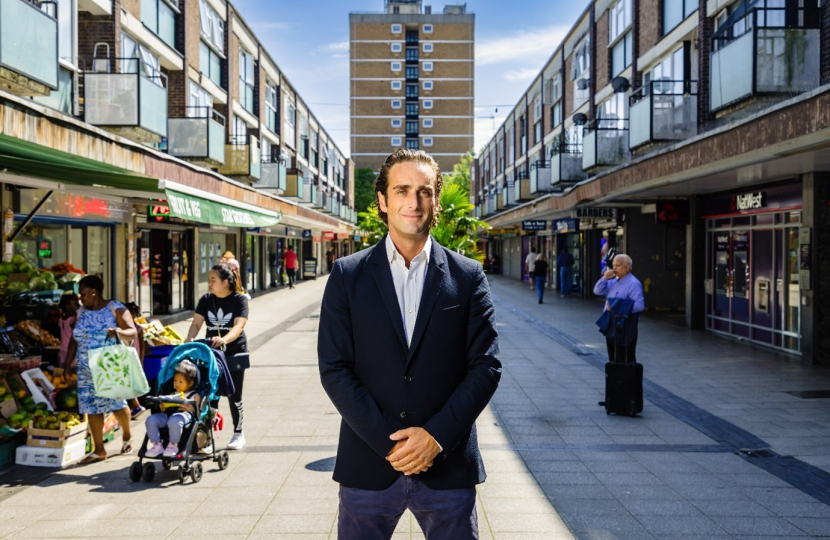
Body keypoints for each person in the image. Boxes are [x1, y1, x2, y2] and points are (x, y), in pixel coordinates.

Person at [318, 148, 501, 540]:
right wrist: (393, 446)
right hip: (368, 466)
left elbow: (486, 366)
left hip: (447, 467)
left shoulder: (467, 276)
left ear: (435, 201)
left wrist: (434, 438)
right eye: (402, 190)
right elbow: (334, 367)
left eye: (424, 191)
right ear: (383, 201)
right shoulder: (347, 276)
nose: (413, 202)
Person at [66, 275, 136, 464]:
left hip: (108, 367)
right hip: (85, 369)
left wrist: (119, 332)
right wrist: (67, 365)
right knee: (91, 407)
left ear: (93, 292)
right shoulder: (81, 312)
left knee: (117, 405)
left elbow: (133, 331)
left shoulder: (116, 308)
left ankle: (127, 436)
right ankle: (99, 450)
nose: (80, 299)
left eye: (83, 295)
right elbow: (74, 339)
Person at [185, 264, 249, 450]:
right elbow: (196, 324)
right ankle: (208, 438)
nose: (210, 283)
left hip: (233, 352)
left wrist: (224, 339)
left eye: (213, 280)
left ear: (226, 282)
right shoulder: (206, 299)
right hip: (211, 354)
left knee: (234, 394)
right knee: (210, 395)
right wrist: (189, 341)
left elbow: (239, 326)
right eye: (209, 280)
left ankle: (238, 433)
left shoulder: (239, 300)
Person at [593, 254, 645, 363]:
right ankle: (615, 379)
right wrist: (604, 278)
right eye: (613, 265)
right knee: (613, 358)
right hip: (611, 324)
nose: (614, 268)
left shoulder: (633, 284)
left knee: (625, 358)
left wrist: (615, 306)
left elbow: (639, 305)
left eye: (618, 265)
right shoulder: (613, 281)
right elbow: (597, 291)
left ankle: (628, 380)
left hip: (625, 326)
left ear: (627, 267)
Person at [144, 359, 201, 458]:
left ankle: (173, 445)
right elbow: (165, 407)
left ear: (191, 383)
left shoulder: (194, 395)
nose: (176, 384)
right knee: (151, 420)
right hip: (169, 415)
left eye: (180, 381)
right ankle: (157, 445)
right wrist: (163, 406)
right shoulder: (173, 394)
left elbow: (195, 409)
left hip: (184, 417)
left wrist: (185, 404)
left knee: (175, 420)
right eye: (175, 381)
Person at [124, 302, 147, 419]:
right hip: (126, 359)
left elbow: (142, 346)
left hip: (133, 359)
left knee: (128, 384)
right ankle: (134, 407)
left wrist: (141, 361)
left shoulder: (138, 329)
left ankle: (136, 406)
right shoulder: (123, 328)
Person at [58, 293, 79, 368]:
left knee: (63, 368)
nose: (78, 306)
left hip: (63, 349)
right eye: (75, 304)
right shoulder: (72, 320)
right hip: (71, 350)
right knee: (72, 370)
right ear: (68, 306)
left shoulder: (61, 320)